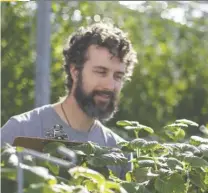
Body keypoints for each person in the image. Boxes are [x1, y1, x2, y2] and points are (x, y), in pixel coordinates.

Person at [1, 22, 137, 177]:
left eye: (118, 76)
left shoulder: (119, 152)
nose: (110, 85)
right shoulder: (21, 131)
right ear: (75, 72)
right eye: (101, 72)